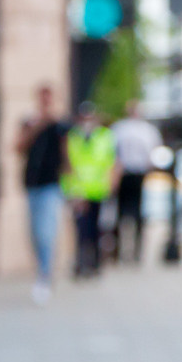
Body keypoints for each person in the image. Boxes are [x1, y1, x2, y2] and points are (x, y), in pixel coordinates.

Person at [13, 84, 68, 301]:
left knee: (46, 231)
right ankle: (43, 269)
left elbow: (66, 154)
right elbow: (18, 147)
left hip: (51, 185)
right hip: (31, 184)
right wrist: (38, 126)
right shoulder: (29, 122)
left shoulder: (60, 125)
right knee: (34, 234)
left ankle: (45, 275)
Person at [62, 102, 116, 278]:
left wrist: (111, 186)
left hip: (98, 190)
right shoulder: (73, 137)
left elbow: (111, 162)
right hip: (79, 191)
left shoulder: (105, 136)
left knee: (96, 229)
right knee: (81, 229)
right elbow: (68, 165)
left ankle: (95, 263)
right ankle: (81, 262)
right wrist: (71, 191)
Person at [110, 99, 162, 264]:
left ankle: (136, 252)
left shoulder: (146, 130)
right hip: (124, 173)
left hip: (139, 174)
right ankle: (120, 251)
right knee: (121, 214)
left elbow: (154, 153)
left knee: (138, 215)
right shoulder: (121, 128)